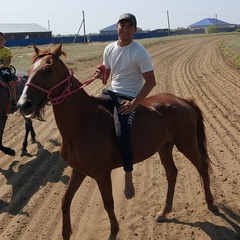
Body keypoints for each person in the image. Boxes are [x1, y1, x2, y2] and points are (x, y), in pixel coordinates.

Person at [95, 13, 156, 199]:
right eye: (122, 25)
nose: (125, 29)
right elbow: (108, 76)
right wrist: (100, 75)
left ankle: (128, 174)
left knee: (122, 133)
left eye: (130, 27)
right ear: (117, 27)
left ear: (135, 30)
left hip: (128, 97)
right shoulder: (109, 49)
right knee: (91, 117)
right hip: (110, 92)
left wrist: (133, 104)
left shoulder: (139, 52)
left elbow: (151, 82)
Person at [0, 32, 17, 113]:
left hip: (4, 69)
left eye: (1, 39)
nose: (0, 41)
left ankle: (14, 100)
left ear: (5, 41)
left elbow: (8, 61)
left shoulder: (7, 50)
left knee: (11, 82)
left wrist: (1, 66)